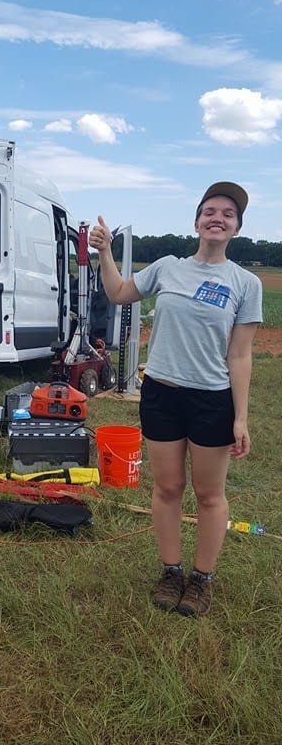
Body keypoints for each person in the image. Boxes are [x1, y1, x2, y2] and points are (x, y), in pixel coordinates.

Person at [88, 182, 263, 617]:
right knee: (167, 488)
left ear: (236, 227)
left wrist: (240, 418)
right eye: (209, 210)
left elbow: (240, 356)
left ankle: (202, 579)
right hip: (161, 394)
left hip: (212, 400)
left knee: (209, 494)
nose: (217, 217)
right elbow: (118, 293)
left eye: (227, 213)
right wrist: (104, 253)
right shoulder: (167, 267)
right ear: (197, 221)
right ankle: (171, 571)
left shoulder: (246, 283)